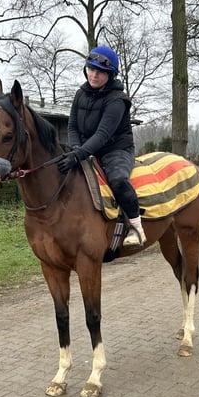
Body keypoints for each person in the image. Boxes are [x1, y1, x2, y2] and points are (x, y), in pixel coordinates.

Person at [57, 45, 146, 248]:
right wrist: (76, 149)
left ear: (110, 75)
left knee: (119, 180)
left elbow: (103, 135)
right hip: (86, 148)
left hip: (116, 150)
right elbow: (72, 126)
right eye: (91, 69)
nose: (94, 75)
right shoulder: (80, 93)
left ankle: (136, 226)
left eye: (100, 72)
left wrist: (79, 154)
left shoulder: (118, 100)